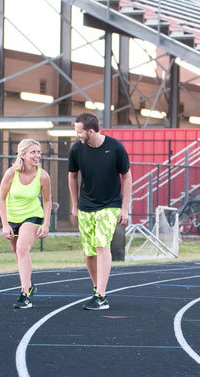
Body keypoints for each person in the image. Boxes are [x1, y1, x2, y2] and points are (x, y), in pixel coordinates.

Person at [68, 112, 132, 310]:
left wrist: (125, 208)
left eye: (79, 132)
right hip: (86, 206)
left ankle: (101, 296)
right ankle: (97, 289)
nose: (77, 135)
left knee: (102, 245)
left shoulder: (115, 147)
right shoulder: (77, 149)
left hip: (110, 205)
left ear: (90, 131)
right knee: (89, 252)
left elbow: (127, 177)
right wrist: (74, 204)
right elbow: (72, 177)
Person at [0, 139, 52, 309]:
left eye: (39, 152)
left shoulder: (43, 175)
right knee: (18, 254)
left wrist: (46, 224)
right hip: (12, 217)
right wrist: (5, 224)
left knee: (22, 249)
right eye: (33, 152)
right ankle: (29, 284)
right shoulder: (11, 173)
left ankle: (25, 294)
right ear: (23, 155)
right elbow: (1, 198)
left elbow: (48, 200)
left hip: (32, 216)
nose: (37, 156)